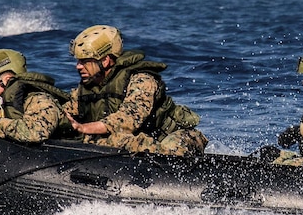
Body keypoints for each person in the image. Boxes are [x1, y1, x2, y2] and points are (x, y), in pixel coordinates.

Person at [65, 24, 208, 156]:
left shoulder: (141, 80)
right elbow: (67, 112)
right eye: (78, 61)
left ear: (105, 61)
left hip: (175, 139)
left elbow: (129, 119)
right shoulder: (86, 88)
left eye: (84, 61)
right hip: (136, 143)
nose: (78, 66)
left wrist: (84, 128)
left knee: (129, 143)